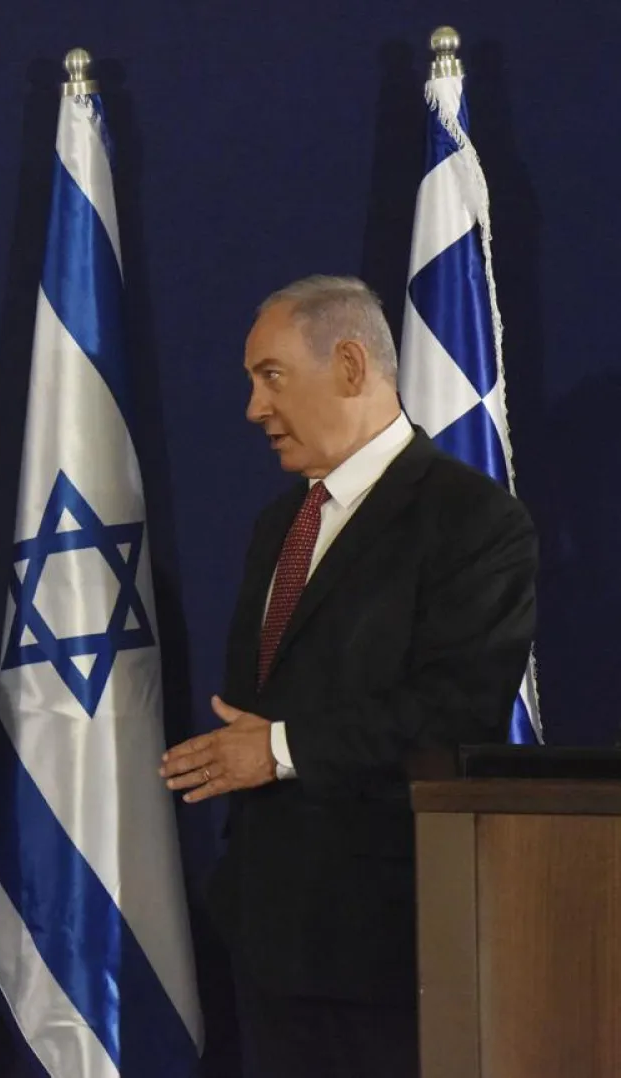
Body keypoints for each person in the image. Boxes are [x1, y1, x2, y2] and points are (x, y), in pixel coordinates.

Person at [160, 276, 537, 1077]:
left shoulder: (471, 521)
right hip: (266, 935)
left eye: (271, 376)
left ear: (352, 365)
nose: (254, 409)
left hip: (383, 942)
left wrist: (281, 749)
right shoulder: (281, 523)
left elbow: (457, 708)